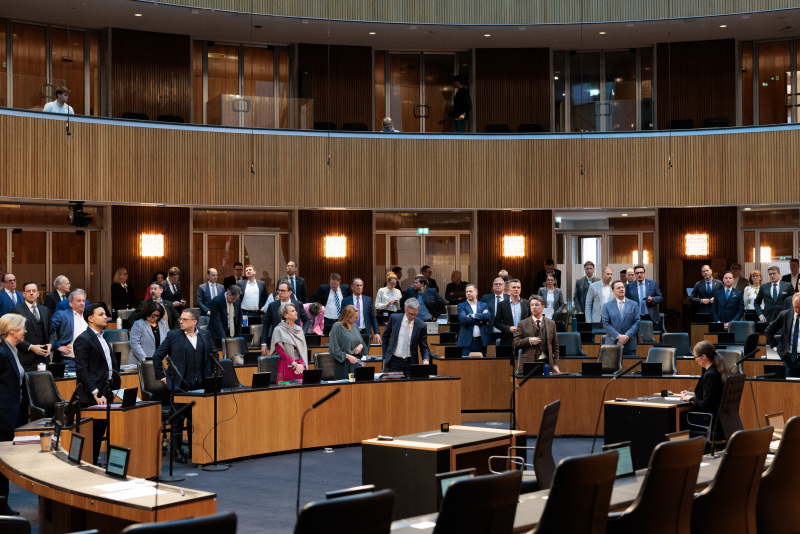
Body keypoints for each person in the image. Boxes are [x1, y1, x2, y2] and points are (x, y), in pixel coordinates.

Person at [153, 309, 216, 463]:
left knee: (196, 419)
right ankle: (176, 451)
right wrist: (163, 377)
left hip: (200, 384)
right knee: (178, 420)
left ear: (195, 322)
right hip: (180, 385)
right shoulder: (173, 336)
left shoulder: (205, 335)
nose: (180, 321)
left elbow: (214, 355)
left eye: (184, 319)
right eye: (180, 319)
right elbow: (157, 356)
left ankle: (195, 449)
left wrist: (212, 374)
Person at [0, 313, 28, 516]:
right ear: (12, 330)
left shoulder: (12, 350)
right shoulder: (2, 352)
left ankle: (2, 504)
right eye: (23, 328)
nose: (25, 331)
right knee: (1, 462)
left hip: (11, 413)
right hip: (2, 416)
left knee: (4, 462)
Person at [680, 341, 730, 425]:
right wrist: (692, 394)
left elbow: (705, 405)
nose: (695, 360)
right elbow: (711, 395)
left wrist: (690, 398)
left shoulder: (710, 375)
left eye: (696, 357)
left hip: (708, 420)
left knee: (678, 419)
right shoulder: (717, 370)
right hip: (719, 418)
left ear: (704, 357)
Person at [381, 298, 431, 375]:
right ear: (405, 309)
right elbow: (385, 336)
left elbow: (424, 346)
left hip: (411, 362)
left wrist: (426, 359)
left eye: (415, 314)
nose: (412, 317)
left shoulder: (421, 325)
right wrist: (385, 355)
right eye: (410, 314)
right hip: (395, 361)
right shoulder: (394, 318)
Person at [260, 281, 311, 353]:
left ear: (290, 292)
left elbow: (306, 320)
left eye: (283, 291)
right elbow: (266, 325)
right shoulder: (272, 305)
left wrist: (302, 332)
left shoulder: (298, 304)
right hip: (277, 341)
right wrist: (263, 343)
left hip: (294, 340)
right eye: (279, 290)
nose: (280, 293)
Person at [512, 296, 560, 373]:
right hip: (528, 363)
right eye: (532, 305)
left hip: (546, 363)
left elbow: (555, 346)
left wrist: (555, 365)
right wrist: (529, 340)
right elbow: (515, 342)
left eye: (537, 305)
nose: (534, 307)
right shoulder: (522, 323)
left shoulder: (551, 323)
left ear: (543, 307)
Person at [11, 281, 51, 372]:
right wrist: (31, 347)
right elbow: (13, 335)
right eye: (28, 291)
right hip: (26, 358)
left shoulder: (45, 310)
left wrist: (50, 344)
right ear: (23, 294)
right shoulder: (16, 310)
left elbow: (51, 332)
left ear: (38, 293)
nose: (31, 293)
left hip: (44, 358)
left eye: (34, 291)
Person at [269, 303, 309, 382]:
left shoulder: (299, 329)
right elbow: (280, 351)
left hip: (300, 367)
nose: (296, 312)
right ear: (285, 315)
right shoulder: (278, 330)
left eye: (295, 310)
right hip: (286, 365)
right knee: (285, 389)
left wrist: (301, 365)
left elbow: (303, 349)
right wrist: (295, 364)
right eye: (292, 311)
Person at [341, 278, 381, 354]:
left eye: (361, 285)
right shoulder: (345, 301)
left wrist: (377, 332)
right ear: (352, 287)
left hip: (365, 331)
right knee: (352, 353)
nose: (359, 287)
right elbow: (342, 318)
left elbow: (373, 317)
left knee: (365, 354)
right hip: (351, 331)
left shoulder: (368, 300)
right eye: (357, 285)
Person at [50, 289, 88, 367]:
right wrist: (57, 346)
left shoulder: (89, 317)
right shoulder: (62, 315)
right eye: (78, 301)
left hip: (88, 362)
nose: (82, 303)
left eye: (83, 301)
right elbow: (48, 331)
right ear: (70, 303)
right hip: (69, 361)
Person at [766, 293, 800, 378]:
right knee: (789, 385)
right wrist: (775, 347)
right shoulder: (784, 315)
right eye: (796, 307)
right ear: (792, 302)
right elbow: (768, 331)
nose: (798, 310)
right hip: (789, 360)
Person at [601, 281, 640, 355]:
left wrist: (626, 336)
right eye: (618, 288)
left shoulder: (634, 304)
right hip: (612, 344)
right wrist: (618, 336)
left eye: (622, 287)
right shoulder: (607, 306)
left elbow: (637, 322)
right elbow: (606, 324)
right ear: (613, 291)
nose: (621, 289)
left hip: (629, 344)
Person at [329, 305, 364, 380]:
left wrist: (360, 345)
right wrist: (347, 356)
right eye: (355, 317)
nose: (357, 319)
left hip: (355, 363)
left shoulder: (354, 326)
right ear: (348, 317)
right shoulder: (337, 326)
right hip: (343, 365)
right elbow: (334, 350)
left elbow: (361, 342)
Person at [457, 284, 492, 356]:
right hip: (467, 341)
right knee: (466, 362)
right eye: (467, 292)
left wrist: (473, 315)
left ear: (476, 292)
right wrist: (480, 320)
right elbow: (463, 319)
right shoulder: (461, 305)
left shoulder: (483, 305)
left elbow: (487, 316)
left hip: (481, 341)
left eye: (470, 291)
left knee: (482, 362)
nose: (468, 293)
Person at [494, 279, 530, 346]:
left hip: (523, 339)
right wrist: (508, 328)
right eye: (514, 287)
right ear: (509, 289)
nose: (516, 289)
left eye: (518, 287)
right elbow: (496, 323)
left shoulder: (526, 303)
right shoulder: (502, 304)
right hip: (507, 339)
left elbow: (530, 320)